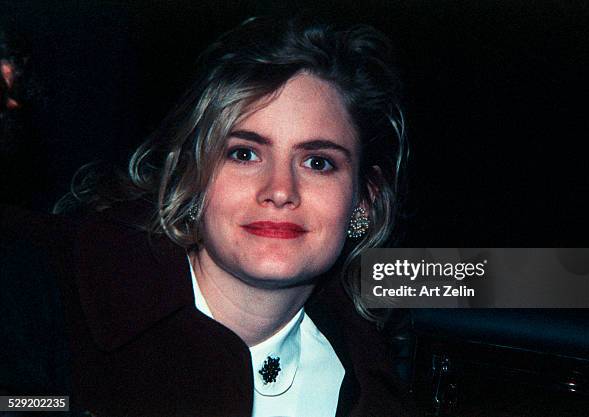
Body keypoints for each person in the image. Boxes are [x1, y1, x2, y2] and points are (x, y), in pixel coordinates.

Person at [1, 16, 414, 416]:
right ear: (193, 177)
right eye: (244, 153)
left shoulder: (373, 379)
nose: (280, 191)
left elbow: (472, 277)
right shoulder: (38, 291)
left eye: (318, 163)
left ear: (363, 200)